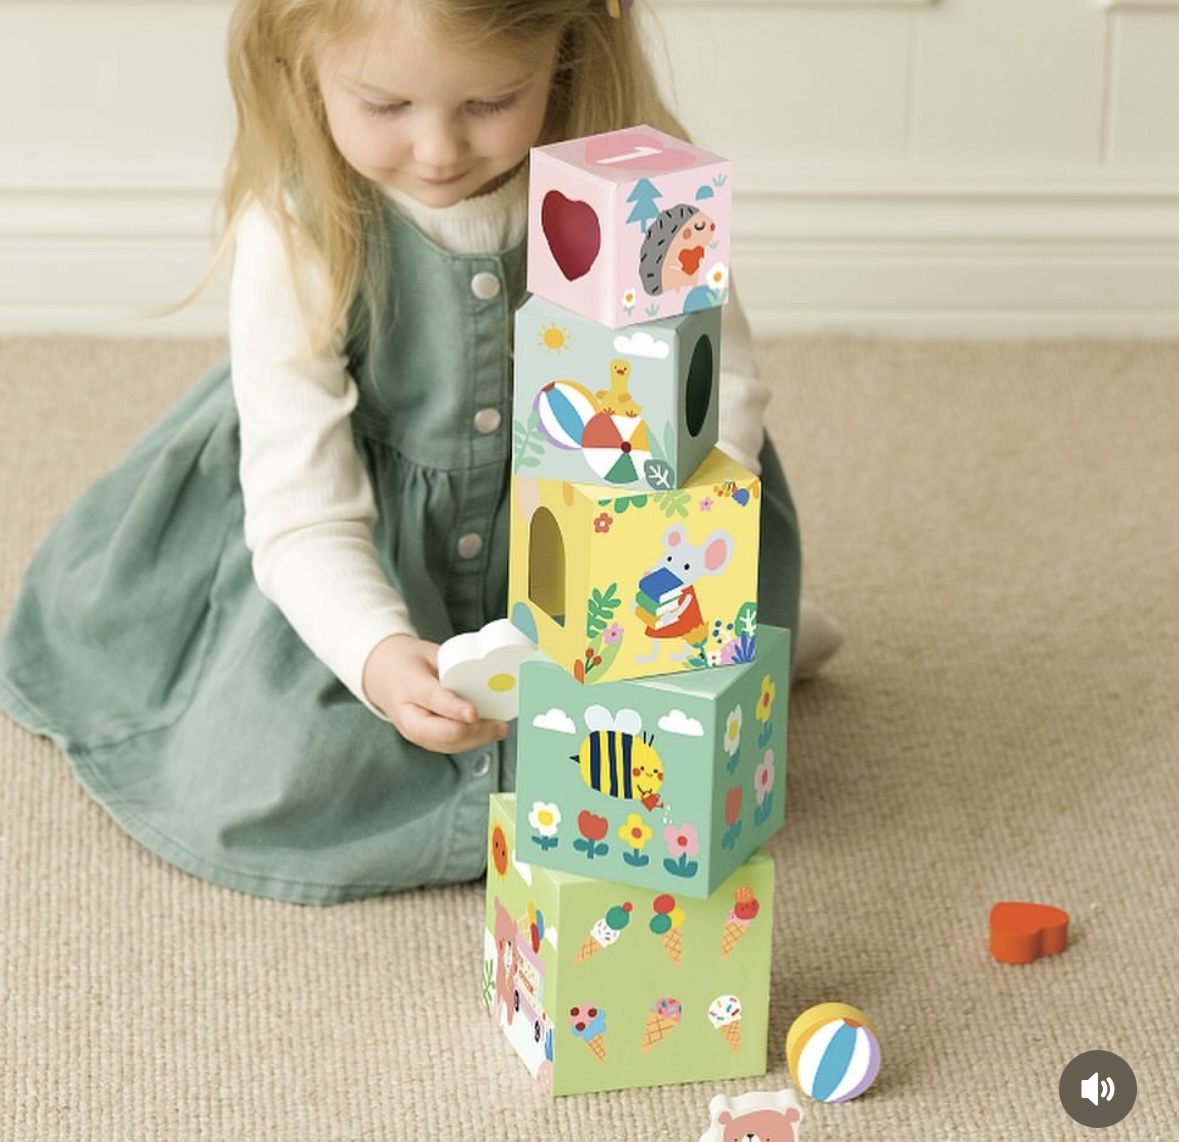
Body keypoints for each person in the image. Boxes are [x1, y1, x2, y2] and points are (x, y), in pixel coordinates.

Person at [0, 0, 840, 904]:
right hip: (356, 535)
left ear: (563, 54)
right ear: (301, 67)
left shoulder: (641, 202)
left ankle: (749, 636)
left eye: (489, 102)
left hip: (596, 536)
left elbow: (721, 397)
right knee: (286, 772)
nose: (438, 150)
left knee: (638, 762)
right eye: (385, 105)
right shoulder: (296, 225)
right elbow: (302, 511)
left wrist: (685, 561)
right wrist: (377, 654)